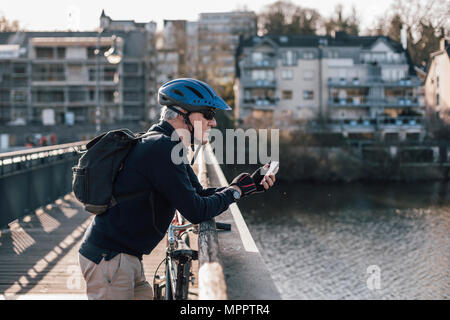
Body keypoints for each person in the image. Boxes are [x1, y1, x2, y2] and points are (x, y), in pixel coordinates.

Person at [78, 78, 277, 300]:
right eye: (208, 114)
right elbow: (195, 210)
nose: (213, 123)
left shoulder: (167, 145)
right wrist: (234, 192)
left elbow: (199, 194)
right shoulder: (162, 149)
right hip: (110, 259)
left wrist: (247, 185)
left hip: (123, 257)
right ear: (183, 115)